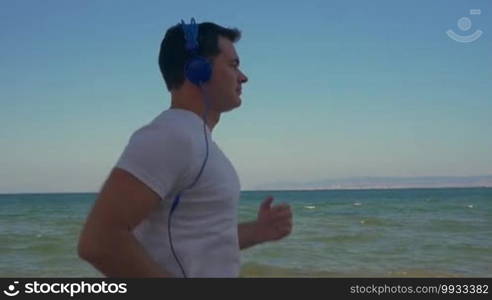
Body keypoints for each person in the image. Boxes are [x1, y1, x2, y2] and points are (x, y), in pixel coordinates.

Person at [78, 19, 293, 278]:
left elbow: (200, 243)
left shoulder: (195, 141)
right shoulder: (171, 136)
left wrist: (259, 231)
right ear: (197, 70)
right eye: (233, 65)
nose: (243, 76)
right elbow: (99, 241)